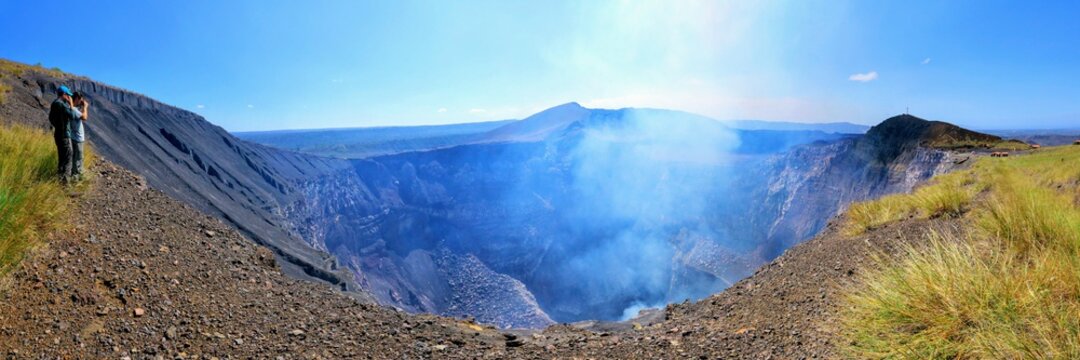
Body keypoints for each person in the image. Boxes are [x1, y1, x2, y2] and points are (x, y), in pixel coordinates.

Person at [47, 85, 81, 184]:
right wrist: (71, 105)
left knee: (62, 158)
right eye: (68, 96)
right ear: (65, 95)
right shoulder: (61, 105)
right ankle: (66, 185)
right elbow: (73, 115)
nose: (69, 97)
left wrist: (58, 126)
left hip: (58, 134)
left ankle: (60, 181)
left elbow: (51, 119)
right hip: (65, 135)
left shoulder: (54, 104)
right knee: (68, 158)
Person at [69, 91, 90, 181]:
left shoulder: (73, 109)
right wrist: (85, 107)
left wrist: (81, 107)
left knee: (77, 158)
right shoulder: (73, 109)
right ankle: (76, 179)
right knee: (78, 158)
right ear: (77, 98)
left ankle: (76, 176)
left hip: (75, 138)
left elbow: (80, 115)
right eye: (80, 100)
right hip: (77, 139)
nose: (81, 101)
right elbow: (84, 117)